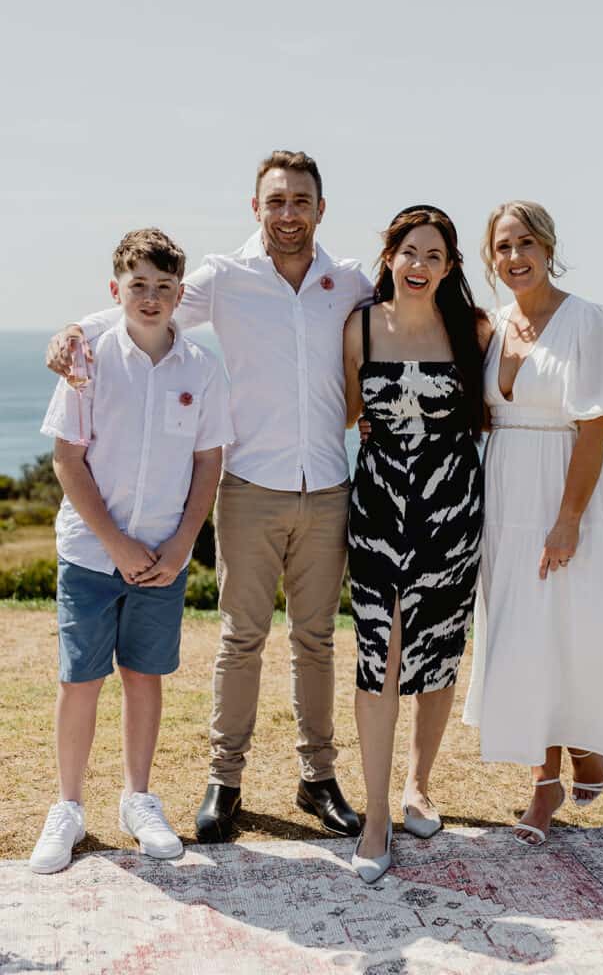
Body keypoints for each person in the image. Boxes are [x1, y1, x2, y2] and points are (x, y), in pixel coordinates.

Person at [46, 151, 372, 843]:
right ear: (256, 208)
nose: (288, 212)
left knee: (316, 641)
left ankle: (317, 780)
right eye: (276, 200)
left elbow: (403, 323)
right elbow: (143, 308)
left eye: (301, 200)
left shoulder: (347, 282)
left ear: (321, 208)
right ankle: (225, 781)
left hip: (328, 488)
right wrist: (72, 329)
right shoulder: (224, 279)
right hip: (249, 485)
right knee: (240, 640)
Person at [463, 201, 603, 846]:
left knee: (566, 631)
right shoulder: (491, 328)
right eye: (502, 246)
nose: (515, 256)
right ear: (490, 259)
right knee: (520, 635)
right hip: (503, 497)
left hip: (563, 494)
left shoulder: (587, 322)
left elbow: (597, 425)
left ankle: (556, 776)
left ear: (548, 247)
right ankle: (556, 764)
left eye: (526, 243)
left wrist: (568, 519)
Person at [31, 229, 231, 874]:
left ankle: (138, 799)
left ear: (180, 295)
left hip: (162, 561)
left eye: (164, 288)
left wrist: (180, 544)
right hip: (93, 555)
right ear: (115, 291)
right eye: (138, 286)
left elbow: (208, 461)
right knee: (79, 680)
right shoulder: (87, 358)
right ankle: (68, 808)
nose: (150, 298)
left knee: (144, 678)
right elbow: (67, 459)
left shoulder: (201, 369)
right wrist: (116, 544)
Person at [343, 205, 487, 882]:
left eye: (434, 256)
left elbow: (499, 412)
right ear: (389, 257)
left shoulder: (474, 332)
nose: (419, 265)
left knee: (435, 653)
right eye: (409, 251)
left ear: (450, 267)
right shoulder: (361, 326)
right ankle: (375, 816)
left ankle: (418, 784)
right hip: (376, 513)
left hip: (453, 513)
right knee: (379, 655)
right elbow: (350, 413)